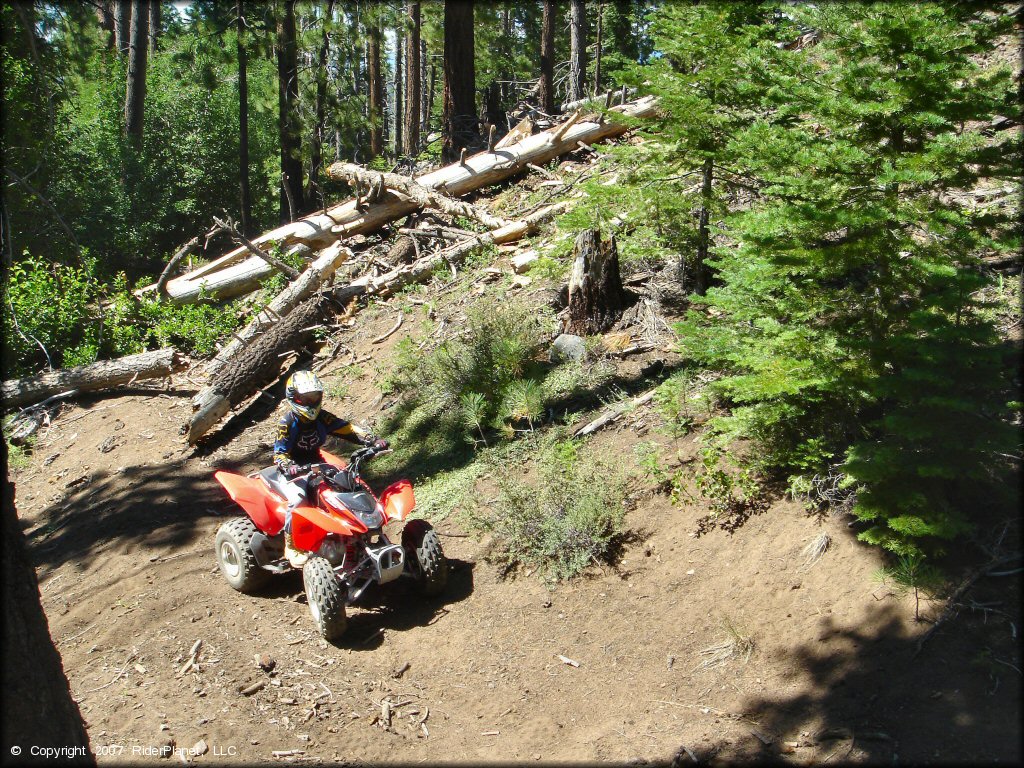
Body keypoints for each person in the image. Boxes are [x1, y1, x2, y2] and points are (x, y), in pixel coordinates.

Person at [273, 370, 387, 567]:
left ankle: (362, 531)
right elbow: (279, 453)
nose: (310, 402)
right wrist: (288, 466)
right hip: (293, 470)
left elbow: (347, 429)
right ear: (294, 398)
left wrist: (372, 440)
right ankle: (291, 546)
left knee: (350, 484)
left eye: (314, 397)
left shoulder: (322, 418)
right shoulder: (288, 423)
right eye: (305, 398)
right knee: (298, 499)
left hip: (318, 463)